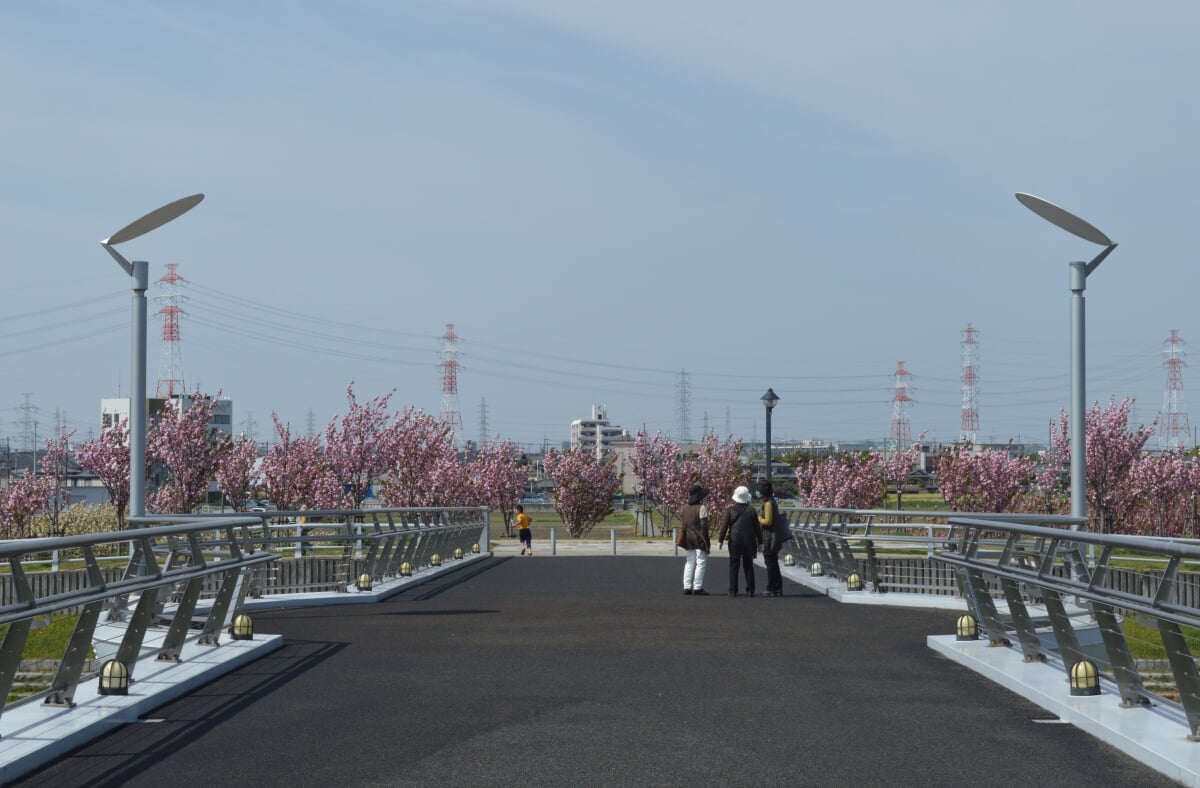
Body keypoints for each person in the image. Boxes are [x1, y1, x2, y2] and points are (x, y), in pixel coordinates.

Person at [718, 485, 761, 597]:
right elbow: (757, 528)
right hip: (749, 541)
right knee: (748, 565)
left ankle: (733, 590)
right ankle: (750, 590)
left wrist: (720, 540)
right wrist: (760, 542)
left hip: (734, 540)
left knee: (734, 565)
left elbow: (724, 526)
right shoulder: (751, 511)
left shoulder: (730, 510)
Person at [677, 484, 711, 595]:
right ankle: (697, 587)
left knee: (689, 562)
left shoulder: (684, 508)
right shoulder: (701, 508)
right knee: (701, 562)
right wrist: (707, 542)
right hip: (699, 538)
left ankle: (687, 586)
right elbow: (704, 526)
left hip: (688, 538)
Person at [757, 480, 786, 596]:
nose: (757, 493)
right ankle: (777, 588)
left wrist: (758, 518)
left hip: (770, 538)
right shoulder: (771, 502)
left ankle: (772, 587)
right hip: (772, 536)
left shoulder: (768, 504)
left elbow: (768, 522)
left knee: (770, 563)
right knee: (773, 562)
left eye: (759, 490)